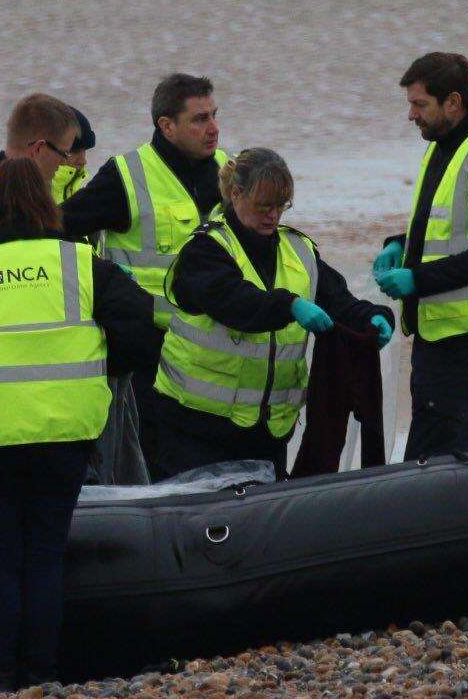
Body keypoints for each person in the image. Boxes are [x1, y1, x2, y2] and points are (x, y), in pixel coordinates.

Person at [0, 159, 153, 695]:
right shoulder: (82, 265)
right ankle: (42, 674)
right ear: (48, 206)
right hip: (64, 432)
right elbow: (141, 331)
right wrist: (98, 366)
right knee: (45, 556)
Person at [151, 148, 394, 480]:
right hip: (196, 427)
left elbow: (338, 301)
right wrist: (289, 305)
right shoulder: (205, 250)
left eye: (281, 206)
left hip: (269, 430)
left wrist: (372, 318)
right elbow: (234, 301)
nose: (273, 216)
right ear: (236, 194)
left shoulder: (300, 252)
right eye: (263, 205)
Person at [60, 73, 228, 468]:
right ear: (166, 126)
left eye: (215, 115)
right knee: (153, 463)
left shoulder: (229, 171)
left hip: (214, 349)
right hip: (149, 353)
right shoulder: (126, 175)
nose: (214, 129)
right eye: (200, 119)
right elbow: (58, 230)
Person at [373, 52, 468, 459]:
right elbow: (446, 224)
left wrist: (417, 279)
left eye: (419, 104)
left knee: (437, 457)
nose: (411, 115)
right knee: (435, 450)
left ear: (453, 103)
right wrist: (399, 244)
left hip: (467, 336)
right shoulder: (444, 144)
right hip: (437, 331)